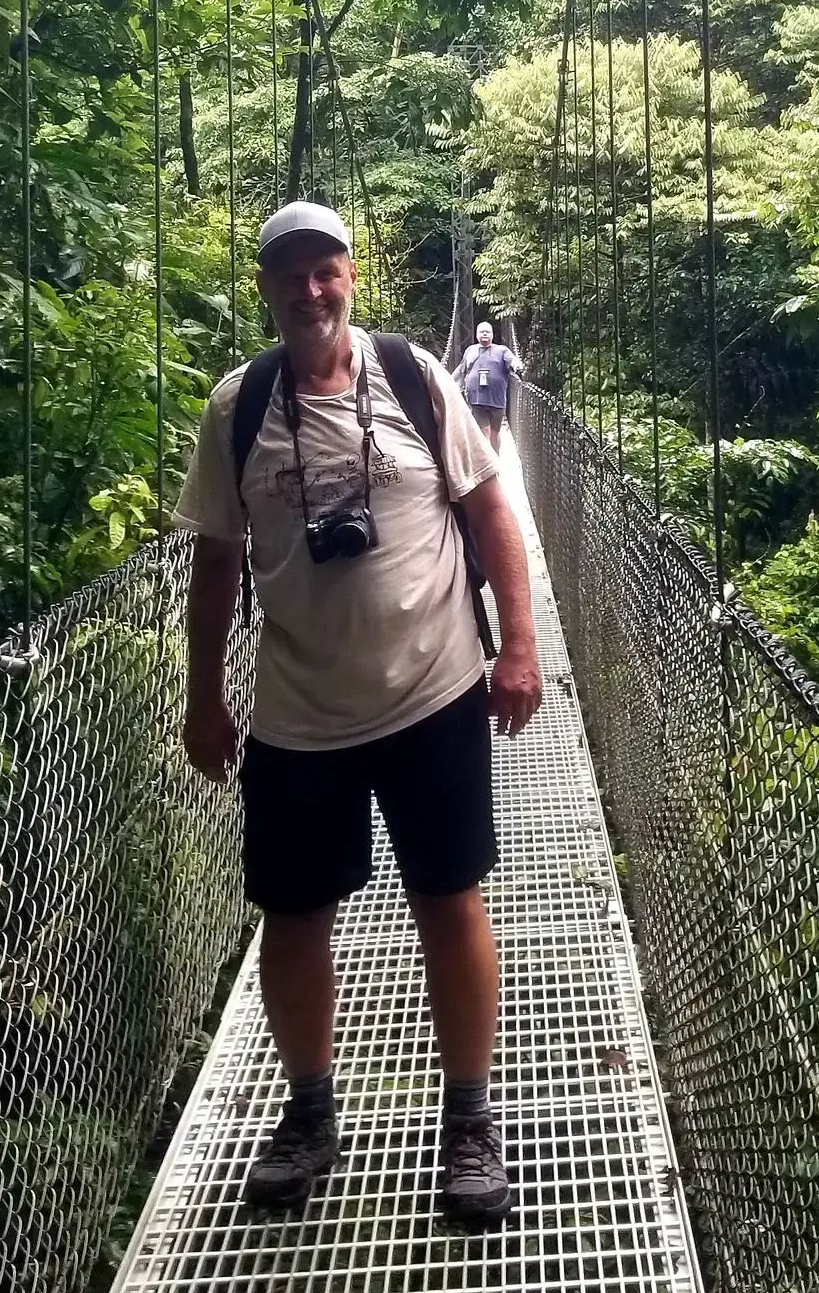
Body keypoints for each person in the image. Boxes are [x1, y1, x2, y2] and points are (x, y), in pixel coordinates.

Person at [173, 201, 543, 1229]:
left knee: (450, 897)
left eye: (325, 269)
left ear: (350, 275)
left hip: (435, 690)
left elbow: (490, 508)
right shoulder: (237, 405)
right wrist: (204, 698)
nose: (310, 289)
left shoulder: (418, 376)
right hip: (297, 712)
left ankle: (468, 1120)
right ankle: (308, 1110)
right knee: (292, 918)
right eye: (289, 274)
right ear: (266, 289)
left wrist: (519, 644)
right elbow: (212, 562)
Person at [452, 321, 525, 447]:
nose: (484, 333)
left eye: (487, 331)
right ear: (476, 335)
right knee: (483, 432)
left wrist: (517, 365)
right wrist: (449, 380)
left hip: (497, 401)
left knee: (494, 434)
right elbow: (461, 368)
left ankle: (495, 458)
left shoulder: (502, 350)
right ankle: (487, 461)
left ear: (492, 335)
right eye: (481, 331)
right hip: (477, 400)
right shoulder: (470, 350)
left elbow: (512, 361)